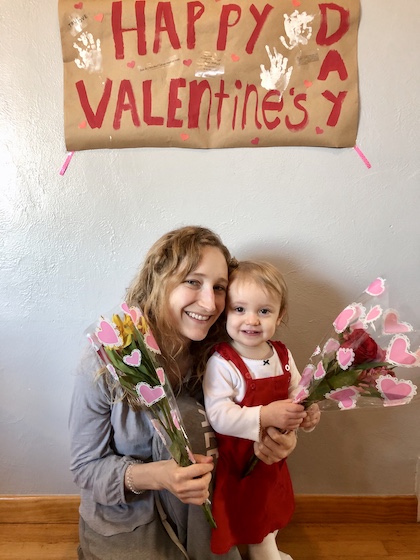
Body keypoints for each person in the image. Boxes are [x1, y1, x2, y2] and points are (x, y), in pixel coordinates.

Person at [69, 226, 300, 560]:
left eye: (219, 287)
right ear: (159, 280)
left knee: (190, 416)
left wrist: (280, 440)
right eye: (193, 281)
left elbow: (260, 416)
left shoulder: (226, 352)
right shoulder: (109, 354)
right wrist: (158, 476)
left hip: (202, 516)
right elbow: (85, 468)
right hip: (129, 517)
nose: (209, 302)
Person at [204, 260, 321, 560]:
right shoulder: (223, 362)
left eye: (264, 311)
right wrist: (265, 416)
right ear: (225, 313)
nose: (252, 320)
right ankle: (264, 554)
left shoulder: (282, 354)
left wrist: (307, 412)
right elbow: (218, 414)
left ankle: (269, 547)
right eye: (240, 309)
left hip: (272, 463)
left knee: (270, 511)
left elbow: (298, 391)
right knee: (253, 519)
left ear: (279, 316)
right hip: (241, 464)